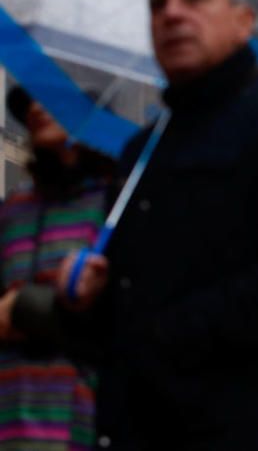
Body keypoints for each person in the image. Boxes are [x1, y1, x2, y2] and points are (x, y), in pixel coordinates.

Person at [60, 0, 258, 450]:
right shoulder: (142, 148)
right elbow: (121, 315)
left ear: (242, 20)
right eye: (157, 3)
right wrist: (88, 296)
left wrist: (166, 329)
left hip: (240, 428)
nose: (172, 13)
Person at [0, 86, 115, 449]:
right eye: (29, 99)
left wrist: (23, 309)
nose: (37, 105)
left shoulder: (114, 206)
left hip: (81, 417)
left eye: (51, 92)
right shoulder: (12, 211)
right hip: (9, 413)